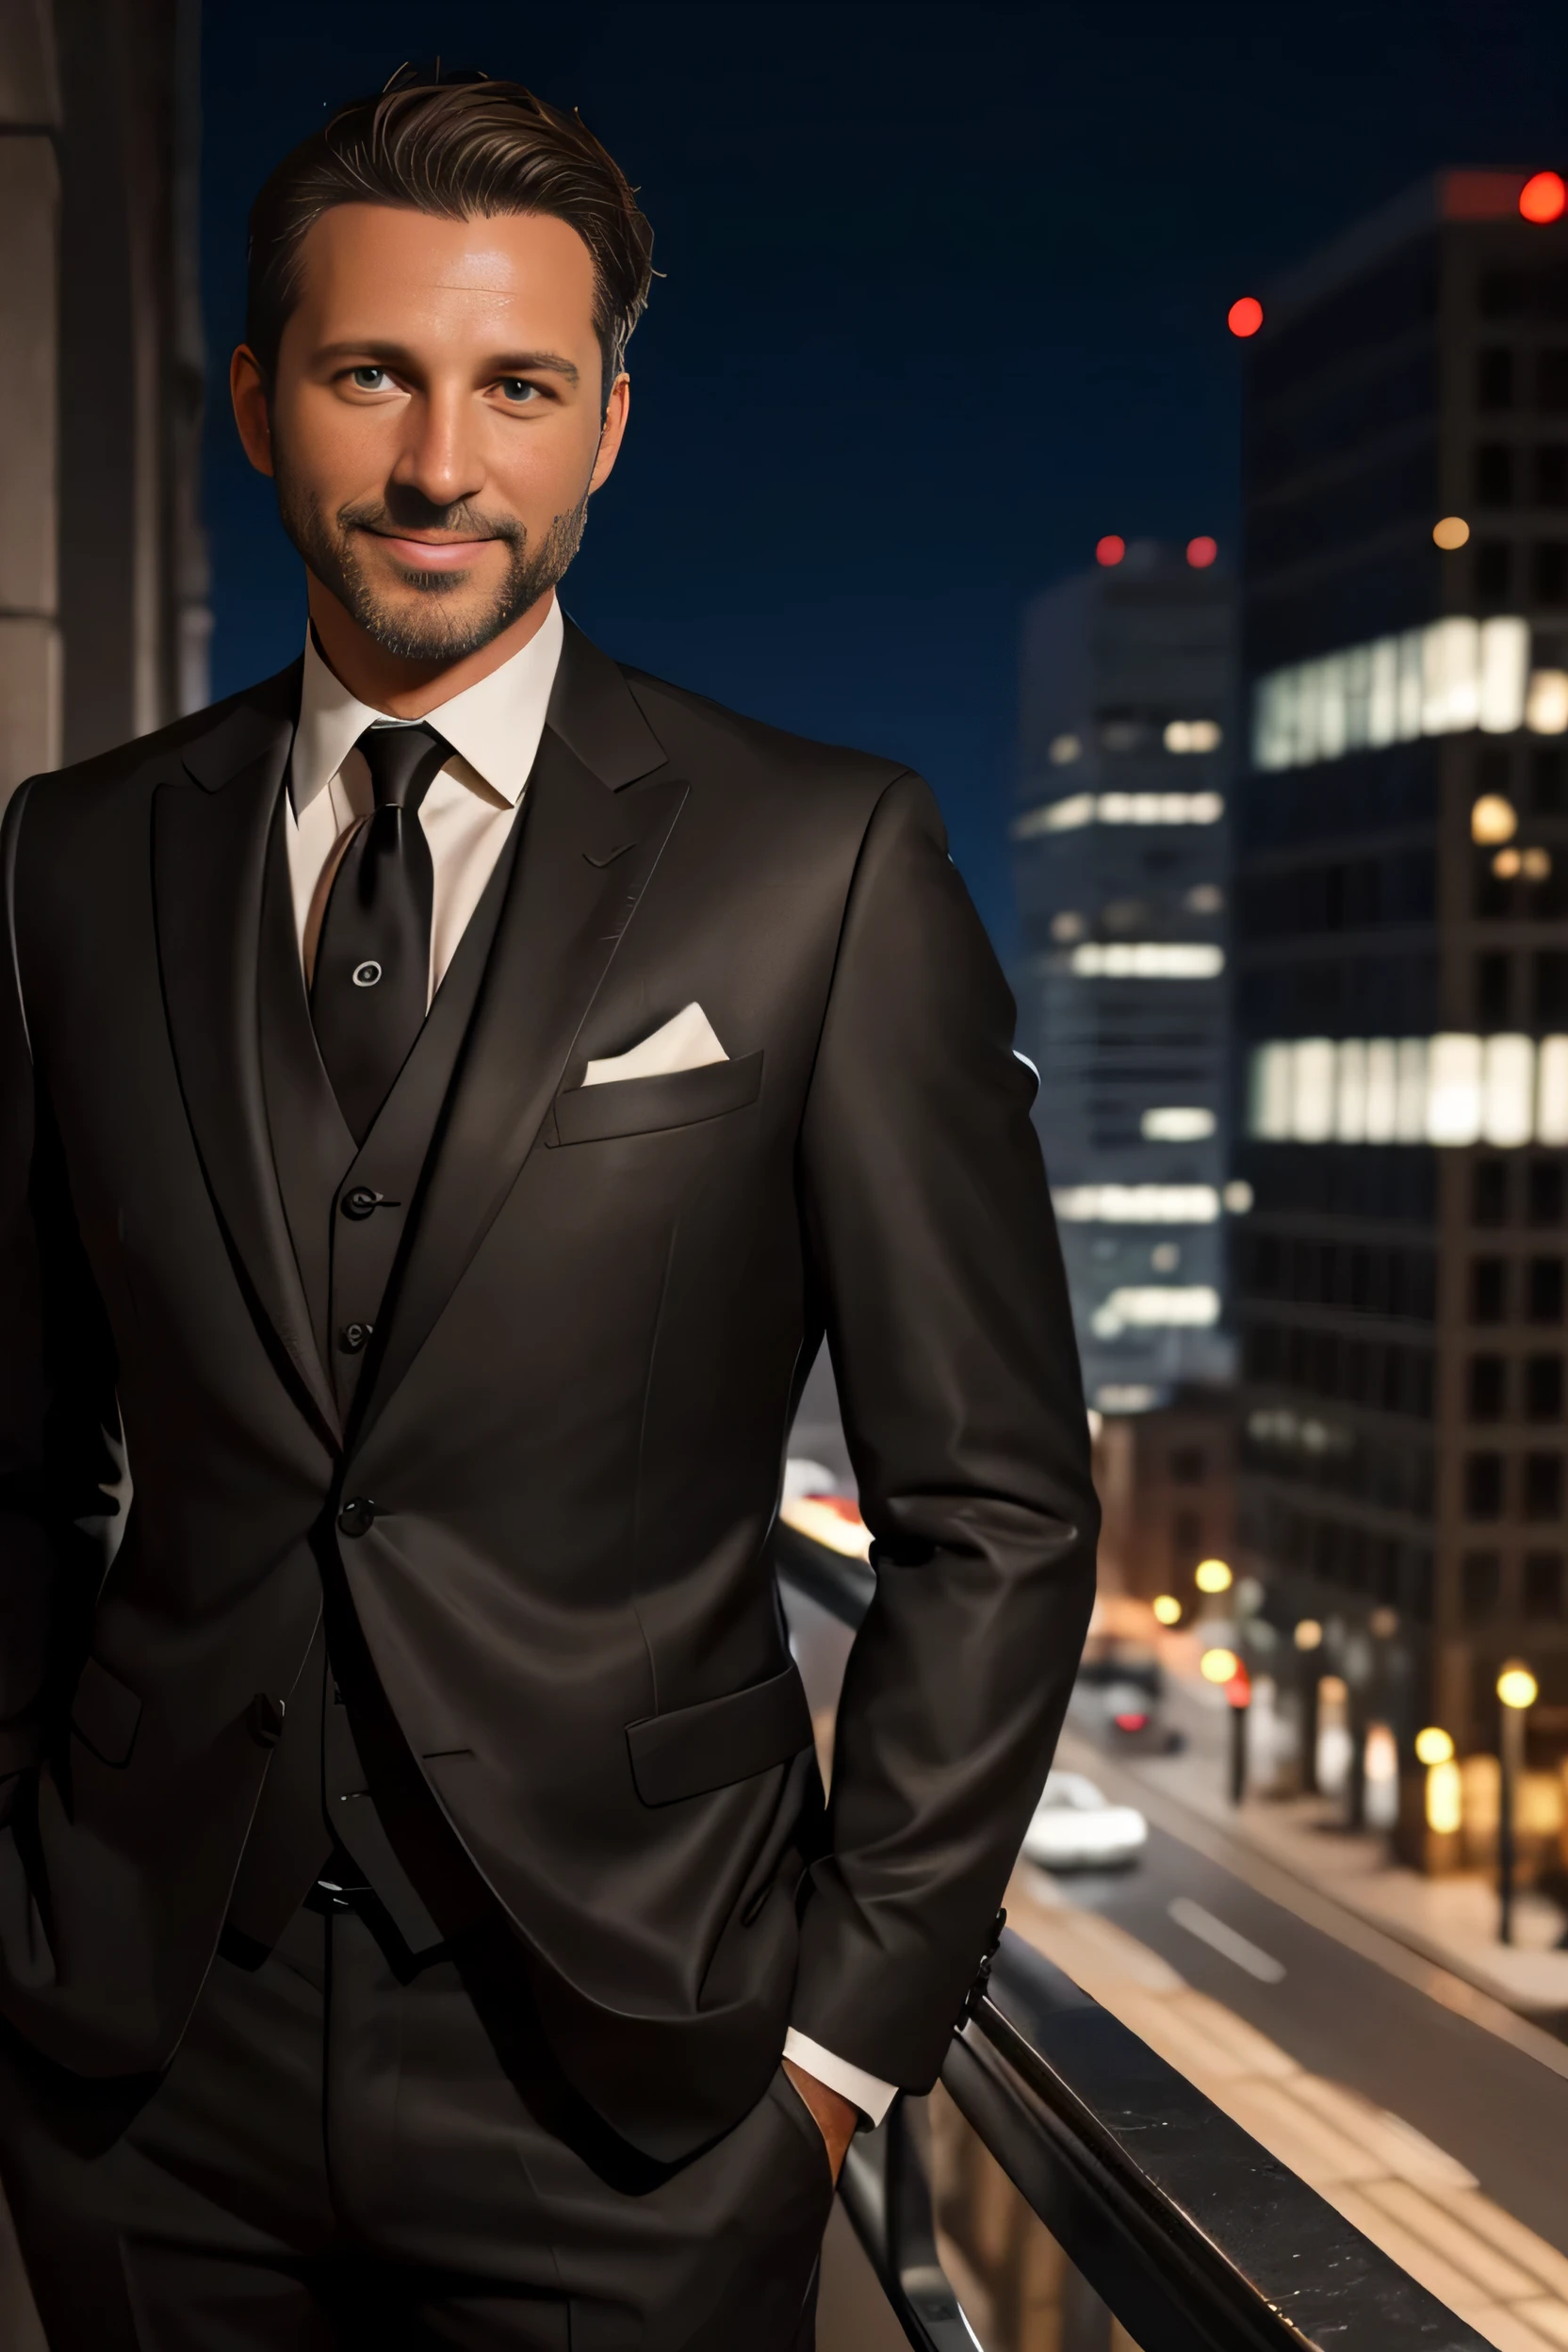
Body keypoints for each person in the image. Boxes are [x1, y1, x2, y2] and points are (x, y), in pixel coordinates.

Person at [0, 65, 1096, 2351]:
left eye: (517, 386)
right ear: (252, 396)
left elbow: (988, 1506)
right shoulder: (79, 854)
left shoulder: (825, 862)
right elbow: (27, 1453)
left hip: (639, 2086)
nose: (437, 466)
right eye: (372, 373)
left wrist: (832, 2054)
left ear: (606, 422)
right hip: (141, 2079)